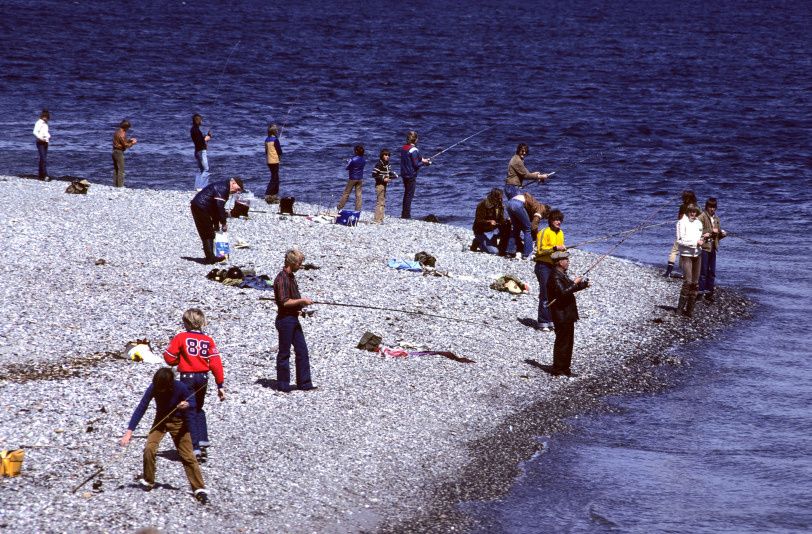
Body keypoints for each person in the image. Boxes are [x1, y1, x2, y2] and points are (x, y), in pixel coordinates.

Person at [119, 367, 210, 504]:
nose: (159, 390)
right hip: (160, 421)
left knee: (188, 456)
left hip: (179, 422)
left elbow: (193, 405)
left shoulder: (181, 387)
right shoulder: (154, 386)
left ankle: (199, 489)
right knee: (149, 449)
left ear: (169, 384)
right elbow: (142, 407)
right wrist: (129, 432)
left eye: (162, 388)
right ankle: (148, 481)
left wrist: (187, 405)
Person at [163, 308, 225, 463]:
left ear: (186, 323)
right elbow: (216, 363)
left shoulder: (181, 337)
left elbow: (169, 358)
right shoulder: (208, 340)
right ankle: (203, 441)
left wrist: (180, 360)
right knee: (198, 408)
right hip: (203, 377)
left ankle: (194, 447)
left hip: (187, 378)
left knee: (188, 410)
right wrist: (220, 384)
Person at [273, 249, 316, 393]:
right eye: (299, 263)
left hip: (293, 318)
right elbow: (284, 302)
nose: (301, 266)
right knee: (284, 353)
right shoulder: (281, 279)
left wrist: (300, 308)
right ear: (292, 262)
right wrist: (302, 300)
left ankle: (304, 383)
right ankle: (283, 385)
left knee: (302, 350)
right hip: (285, 321)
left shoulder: (291, 277)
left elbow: (291, 300)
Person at [546, 250, 589, 377]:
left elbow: (569, 288)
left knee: (568, 342)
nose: (568, 262)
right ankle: (558, 369)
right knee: (562, 342)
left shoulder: (561, 274)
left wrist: (583, 285)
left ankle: (565, 368)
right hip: (561, 314)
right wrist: (575, 283)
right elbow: (563, 293)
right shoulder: (554, 276)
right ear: (560, 262)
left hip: (567, 314)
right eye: (566, 260)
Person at [190, 177, 244, 264]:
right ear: (233, 183)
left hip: (201, 206)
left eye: (239, 191)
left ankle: (210, 256)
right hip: (201, 207)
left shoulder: (223, 187)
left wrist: (216, 224)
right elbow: (219, 208)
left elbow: (215, 209)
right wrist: (223, 223)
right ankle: (210, 258)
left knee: (207, 232)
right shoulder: (223, 188)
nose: (236, 191)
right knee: (207, 234)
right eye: (237, 189)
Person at [534, 209, 566, 331]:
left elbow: (560, 252)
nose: (558, 222)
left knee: (555, 293)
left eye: (560, 220)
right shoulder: (543, 232)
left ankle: (551, 319)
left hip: (555, 266)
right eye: (556, 220)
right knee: (545, 294)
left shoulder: (561, 233)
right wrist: (555, 248)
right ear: (550, 221)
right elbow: (540, 251)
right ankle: (543, 321)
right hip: (543, 266)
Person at [676, 203, 705, 317]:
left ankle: (689, 311)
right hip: (686, 254)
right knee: (688, 282)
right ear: (688, 212)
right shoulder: (681, 222)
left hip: (697, 254)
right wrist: (695, 243)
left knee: (695, 283)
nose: (693, 214)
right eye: (691, 212)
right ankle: (679, 309)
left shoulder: (698, 223)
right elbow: (680, 240)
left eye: (695, 212)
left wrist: (704, 239)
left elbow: (700, 237)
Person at [663, 190, 698, 277]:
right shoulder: (696, 207)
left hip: (683, 232)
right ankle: (688, 273)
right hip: (693, 232)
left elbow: (680, 218)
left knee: (674, 251)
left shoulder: (683, 206)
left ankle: (668, 272)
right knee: (689, 252)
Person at [698, 197, 726, 303]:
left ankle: (709, 292)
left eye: (714, 207)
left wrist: (722, 234)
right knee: (703, 272)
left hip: (713, 248)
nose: (712, 209)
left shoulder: (717, 219)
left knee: (712, 272)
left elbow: (717, 236)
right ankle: (700, 293)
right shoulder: (701, 217)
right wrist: (707, 234)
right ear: (706, 207)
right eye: (710, 207)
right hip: (704, 248)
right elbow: (697, 232)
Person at [506, 190, 547, 259]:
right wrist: (537, 237)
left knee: (516, 228)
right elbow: (533, 226)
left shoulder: (535, 205)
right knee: (527, 229)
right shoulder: (541, 209)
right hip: (518, 204)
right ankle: (527, 253)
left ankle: (510, 252)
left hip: (509, 203)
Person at [399, 131, 431, 219]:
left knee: (406, 194)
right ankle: (406, 215)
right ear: (416, 140)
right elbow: (416, 164)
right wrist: (425, 163)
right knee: (409, 195)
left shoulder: (404, 148)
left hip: (404, 174)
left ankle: (404, 214)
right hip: (411, 175)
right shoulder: (414, 150)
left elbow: (417, 158)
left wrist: (424, 160)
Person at [472, 188, 511, 255]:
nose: (500, 200)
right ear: (493, 197)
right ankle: (478, 241)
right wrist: (489, 221)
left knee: (508, 228)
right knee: (494, 252)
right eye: (498, 198)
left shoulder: (500, 204)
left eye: (501, 198)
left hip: (493, 229)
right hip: (482, 230)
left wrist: (507, 220)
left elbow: (500, 219)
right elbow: (478, 220)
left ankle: (502, 247)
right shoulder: (482, 204)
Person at [337, 145, 366, 212]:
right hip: (360, 178)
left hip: (352, 178)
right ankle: (358, 210)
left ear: (356, 151)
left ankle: (340, 206)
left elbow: (347, 168)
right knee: (358, 195)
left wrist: (348, 162)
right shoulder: (364, 160)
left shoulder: (353, 159)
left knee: (346, 193)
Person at [372, 148, 397, 224]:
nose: (387, 156)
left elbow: (388, 173)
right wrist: (383, 179)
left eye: (388, 155)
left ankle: (381, 218)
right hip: (379, 185)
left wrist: (394, 175)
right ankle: (377, 219)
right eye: (385, 155)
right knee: (380, 201)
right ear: (382, 155)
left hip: (385, 185)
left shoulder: (387, 164)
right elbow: (374, 174)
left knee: (383, 201)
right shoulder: (379, 164)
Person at [112, 119, 138, 187]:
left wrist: (129, 140)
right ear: (126, 127)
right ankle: (120, 186)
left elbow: (121, 142)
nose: (128, 129)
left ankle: (115, 185)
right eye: (128, 128)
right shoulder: (122, 134)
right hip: (119, 152)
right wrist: (133, 143)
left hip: (114, 151)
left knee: (116, 169)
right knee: (121, 170)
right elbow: (125, 145)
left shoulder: (117, 132)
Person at [191, 114, 211, 191]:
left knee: (200, 169)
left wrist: (204, 137)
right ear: (198, 120)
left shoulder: (193, 129)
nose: (202, 121)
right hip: (201, 151)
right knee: (206, 169)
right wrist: (206, 138)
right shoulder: (197, 130)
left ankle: (197, 186)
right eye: (201, 120)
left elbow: (198, 140)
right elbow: (199, 141)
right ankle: (202, 187)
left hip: (197, 150)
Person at [263, 124, 283, 204]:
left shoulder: (267, 140)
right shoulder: (275, 140)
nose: (277, 131)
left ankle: (273, 194)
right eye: (277, 130)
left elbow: (266, 151)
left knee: (275, 177)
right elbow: (280, 151)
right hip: (274, 161)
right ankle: (269, 193)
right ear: (274, 131)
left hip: (269, 161)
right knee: (275, 178)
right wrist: (279, 158)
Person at [33, 109, 51, 181]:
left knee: (42, 159)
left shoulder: (46, 123)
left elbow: (46, 132)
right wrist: (40, 138)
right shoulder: (39, 123)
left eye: (47, 117)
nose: (46, 118)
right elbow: (35, 132)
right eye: (45, 116)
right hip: (40, 142)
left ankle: (40, 175)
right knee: (43, 158)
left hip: (45, 142)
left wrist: (48, 136)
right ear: (42, 116)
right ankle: (45, 175)